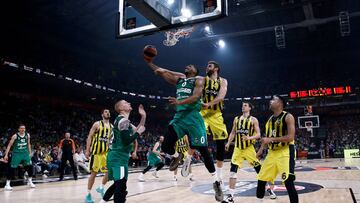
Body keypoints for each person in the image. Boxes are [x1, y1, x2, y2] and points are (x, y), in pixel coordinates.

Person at [145, 58, 223, 201]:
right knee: (166, 144)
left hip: (193, 117)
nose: (187, 65)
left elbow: (196, 96)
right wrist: (150, 63)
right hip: (180, 117)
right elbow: (163, 72)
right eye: (187, 65)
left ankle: (216, 182)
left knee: (204, 151)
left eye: (191, 65)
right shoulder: (180, 80)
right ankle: (177, 156)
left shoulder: (199, 79)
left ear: (195, 71)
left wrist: (179, 101)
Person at [222, 102, 276, 203]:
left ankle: (268, 189)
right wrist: (228, 143)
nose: (243, 106)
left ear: (250, 108)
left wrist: (249, 138)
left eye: (245, 105)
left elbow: (259, 134)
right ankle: (231, 196)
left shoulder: (253, 120)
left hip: (249, 149)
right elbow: (233, 132)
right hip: (238, 149)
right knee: (232, 172)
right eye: (242, 105)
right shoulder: (236, 119)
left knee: (259, 171)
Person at [99, 101, 146, 203]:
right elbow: (127, 141)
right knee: (121, 186)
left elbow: (139, 128)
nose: (129, 102)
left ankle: (103, 201)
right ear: (121, 108)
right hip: (118, 157)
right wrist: (138, 133)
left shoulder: (124, 121)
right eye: (125, 102)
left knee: (118, 183)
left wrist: (143, 116)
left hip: (119, 156)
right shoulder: (123, 121)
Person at [256, 95, 298, 203]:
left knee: (288, 181)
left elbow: (290, 137)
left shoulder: (288, 117)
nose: (270, 101)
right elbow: (267, 138)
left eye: (273, 99)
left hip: (285, 151)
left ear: (280, 103)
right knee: (261, 179)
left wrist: (271, 140)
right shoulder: (269, 120)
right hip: (272, 153)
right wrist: (261, 149)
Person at [201, 61, 228, 183]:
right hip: (202, 113)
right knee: (199, 137)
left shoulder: (223, 81)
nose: (207, 67)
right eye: (207, 66)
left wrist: (209, 104)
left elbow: (221, 96)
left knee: (221, 143)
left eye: (210, 66)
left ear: (216, 68)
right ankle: (188, 159)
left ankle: (219, 174)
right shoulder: (202, 79)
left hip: (216, 114)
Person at [85, 109, 113, 203]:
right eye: (105, 112)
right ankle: (88, 195)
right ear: (102, 115)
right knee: (94, 174)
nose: (107, 113)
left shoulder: (112, 127)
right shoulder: (97, 124)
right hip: (96, 153)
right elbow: (89, 137)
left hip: (106, 153)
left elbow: (110, 141)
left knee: (109, 172)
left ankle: (101, 187)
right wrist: (87, 150)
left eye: (108, 112)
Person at [4, 124, 35, 190]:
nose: (23, 129)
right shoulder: (15, 136)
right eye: (21, 128)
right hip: (16, 154)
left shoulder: (27, 135)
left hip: (25, 153)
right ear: (18, 129)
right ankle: (7, 184)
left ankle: (30, 181)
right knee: (12, 169)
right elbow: (9, 145)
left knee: (30, 166)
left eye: (24, 128)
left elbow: (28, 144)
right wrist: (6, 155)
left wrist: (30, 153)